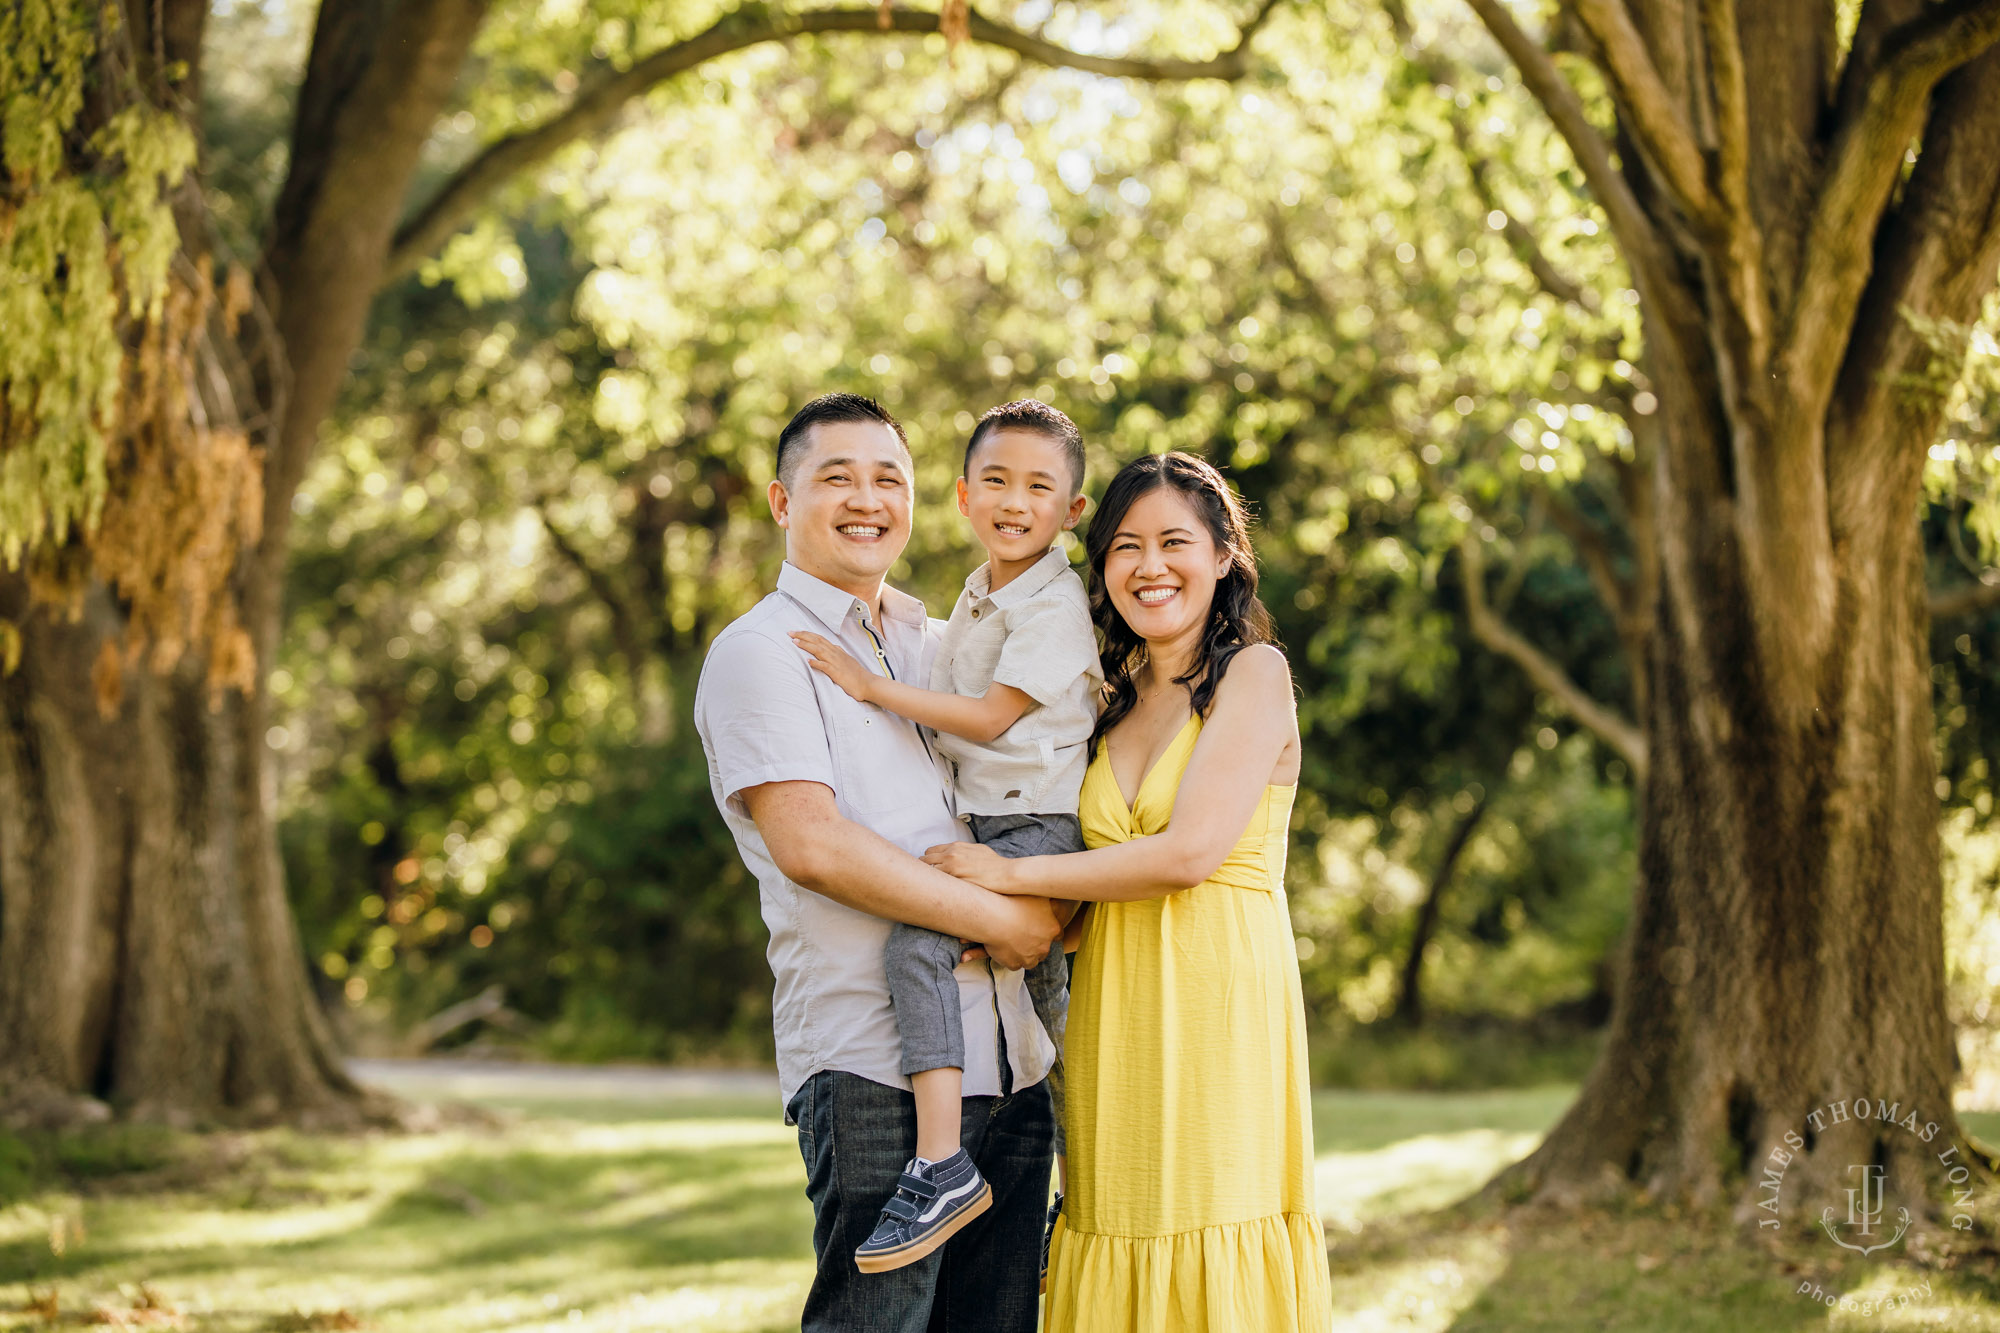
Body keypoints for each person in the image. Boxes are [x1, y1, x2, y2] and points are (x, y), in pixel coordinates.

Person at [924, 451, 1333, 1332]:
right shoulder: (1107, 696)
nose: (1150, 567)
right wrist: (990, 921)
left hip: (1218, 999)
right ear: (1101, 563)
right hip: (1110, 1007)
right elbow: (1088, 876)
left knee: (1209, 1221)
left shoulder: (1252, 675)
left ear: (1224, 553)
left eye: (1174, 542)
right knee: (1117, 1218)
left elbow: (1186, 855)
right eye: (1125, 546)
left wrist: (1010, 875)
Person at [693, 392, 1063, 1333]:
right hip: (870, 1067)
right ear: (783, 501)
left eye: (887, 477)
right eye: (837, 477)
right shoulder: (760, 654)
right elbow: (812, 845)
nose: (867, 498)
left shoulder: (936, 644)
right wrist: (1003, 916)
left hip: (1010, 1059)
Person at [788, 399, 1100, 1277]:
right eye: (995, 481)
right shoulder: (974, 595)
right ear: (963, 496)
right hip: (996, 825)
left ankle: (940, 1165)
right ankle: (1068, 1197)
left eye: (1040, 487)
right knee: (1050, 1017)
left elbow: (993, 718)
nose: (1014, 501)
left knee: (922, 949)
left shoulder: (1053, 604)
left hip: (1031, 828)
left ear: (1071, 511)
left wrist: (869, 686)